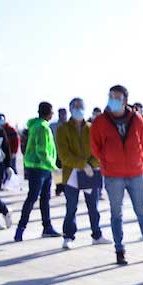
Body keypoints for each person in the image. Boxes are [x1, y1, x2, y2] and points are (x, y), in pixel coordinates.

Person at [91, 84, 143, 265]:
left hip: (135, 173)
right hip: (113, 174)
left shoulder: (137, 119)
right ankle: (120, 250)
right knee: (116, 213)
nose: (112, 100)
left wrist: (134, 159)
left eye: (116, 97)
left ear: (125, 100)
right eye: (110, 96)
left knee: (142, 211)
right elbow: (95, 147)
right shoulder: (100, 122)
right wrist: (108, 159)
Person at [56, 97, 109, 249]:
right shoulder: (63, 129)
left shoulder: (92, 128)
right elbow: (64, 155)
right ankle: (68, 236)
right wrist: (81, 164)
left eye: (81, 106)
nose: (78, 109)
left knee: (94, 206)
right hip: (71, 174)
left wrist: (91, 165)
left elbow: (99, 150)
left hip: (90, 173)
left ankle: (97, 234)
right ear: (71, 109)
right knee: (71, 207)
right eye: (75, 106)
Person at [18, 101, 61, 239]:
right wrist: (53, 167)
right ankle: (21, 228)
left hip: (38, 167)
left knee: (42, 198)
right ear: (48, 113)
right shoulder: (42, 127)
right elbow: (42, 151)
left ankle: (46, 227)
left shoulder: (35, 125)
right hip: (41, 168)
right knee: (35, 198)